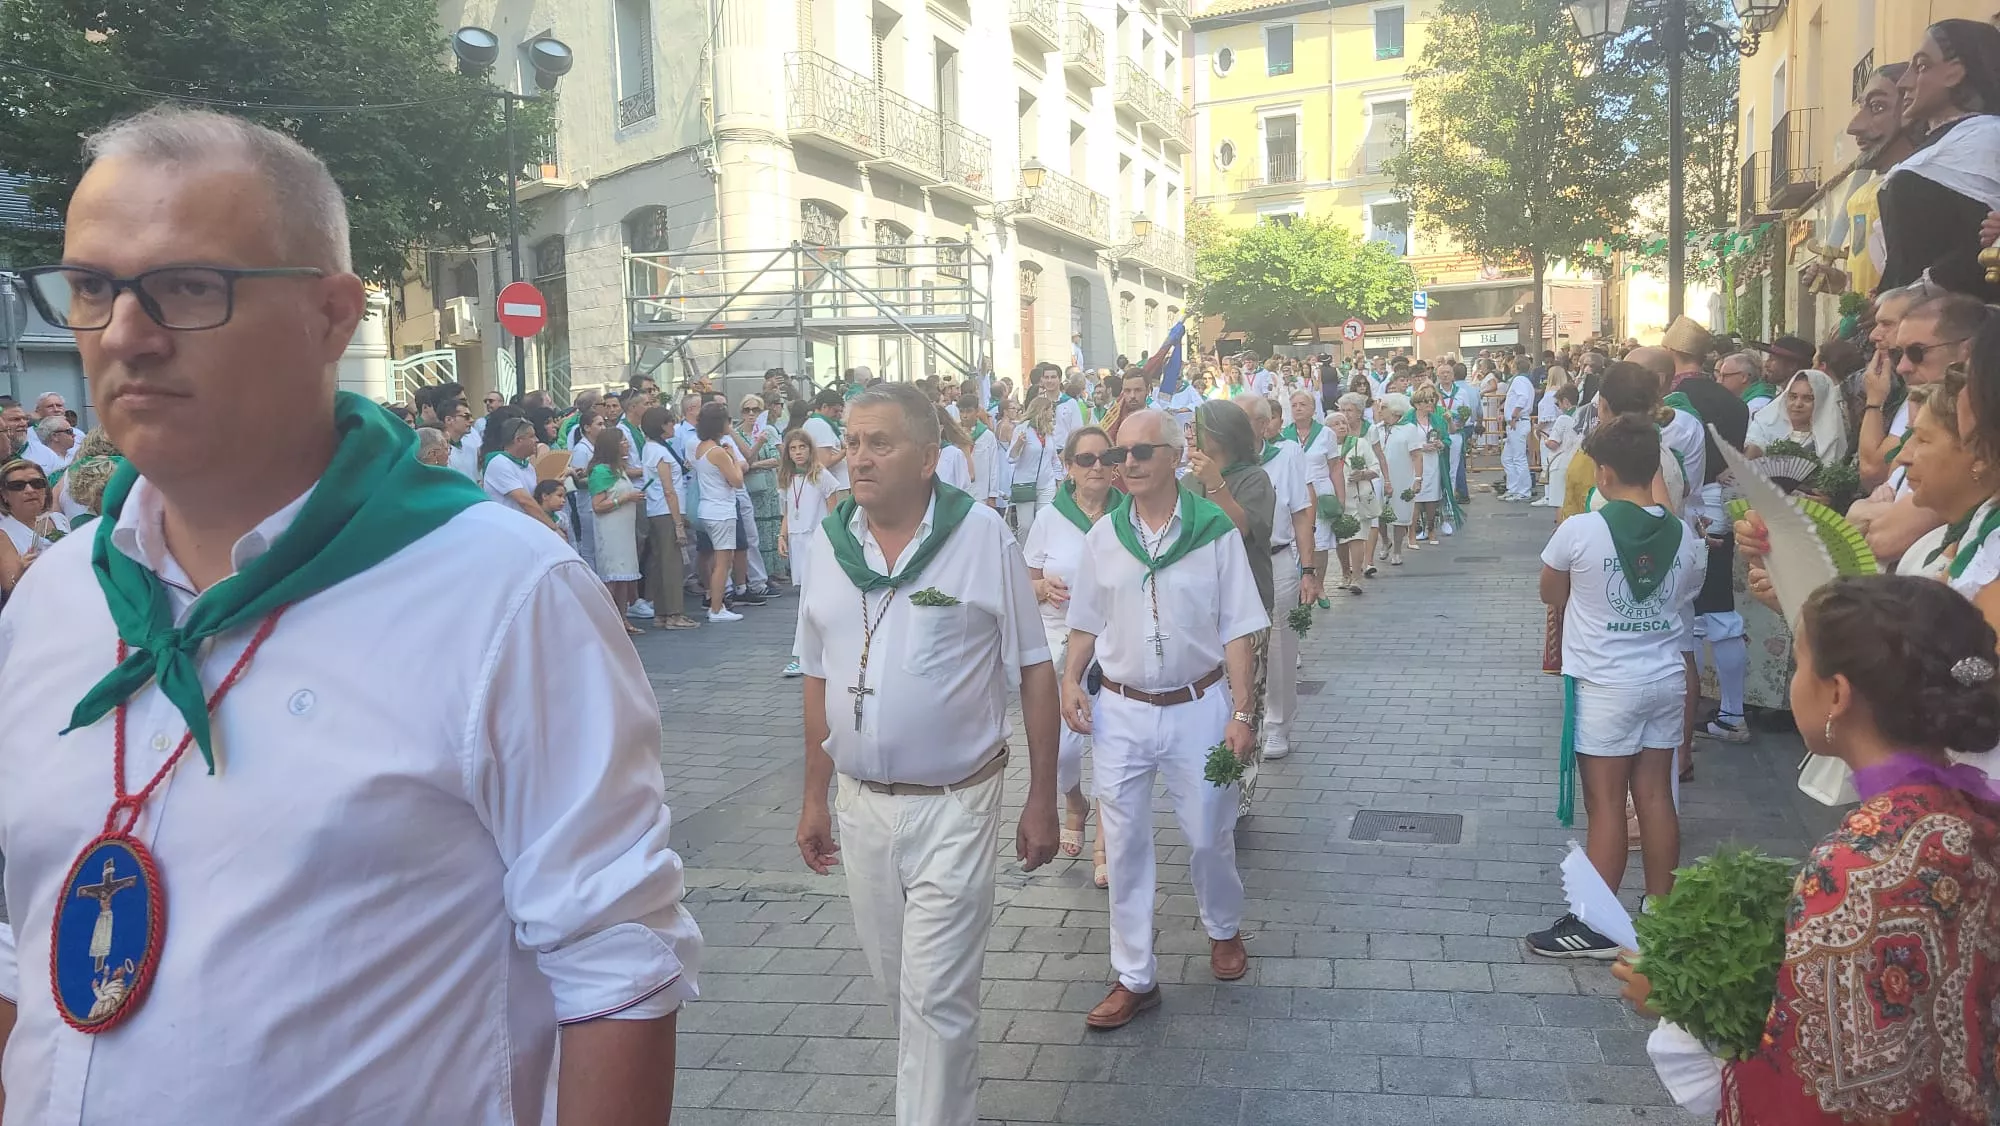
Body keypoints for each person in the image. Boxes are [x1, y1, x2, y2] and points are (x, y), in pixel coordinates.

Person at [0, 104, 696, 1125]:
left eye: (189, 286)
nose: (126, 335)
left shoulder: (500, 593)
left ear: (333, 314)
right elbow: (19, 935)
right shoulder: (55, 597)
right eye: (94, 288)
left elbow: (616, 969)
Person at [1616, 575, 2000, 1124]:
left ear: (1837, 695)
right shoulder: (1968, 813)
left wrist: (1680, 1003)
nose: (1794, 681)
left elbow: (1820, 1086)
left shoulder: (1858, 865)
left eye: (1798, 665)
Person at [792, 382, 1059, 1126]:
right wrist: (815, 796)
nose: (860, 458)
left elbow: (1034, 666)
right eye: (850, 443)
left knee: (937, 998)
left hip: (956, 803)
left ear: (928, 457)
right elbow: (815, 672)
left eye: (880, 443)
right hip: (862, 804)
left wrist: (1041, 798)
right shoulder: (828, 543)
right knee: (901, 989)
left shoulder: (981, 537)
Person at [1060, 409, 1265, 1030]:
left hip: (1198, 706)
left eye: (1142, 453)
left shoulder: (1212, 531)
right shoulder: (1103, 537)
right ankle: (1134, 975)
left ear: (1177, 455)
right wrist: (1071, 677)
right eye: (1121, 455)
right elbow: (1086, 621)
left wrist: (1243, 710)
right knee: (1122, 846)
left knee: (1208, 832)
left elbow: (1238, 628)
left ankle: (1223, 928)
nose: (1129, 465)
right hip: (1120, 709)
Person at [1528, 415, 1706, 959]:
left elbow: (1550, 594)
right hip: (1665, 678)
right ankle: (1661, 912)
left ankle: (1598, 924)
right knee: (1654, 796)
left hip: (1606, 686)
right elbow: (1681, 598)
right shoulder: (1686, 535)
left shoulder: (1581, 529)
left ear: (1603, 473)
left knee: (1605, 805)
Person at [1023, 426, 1117, 885]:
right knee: (1061, 751)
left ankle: (1104, 838)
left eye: (1105, 457)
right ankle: (1074, 801)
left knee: (1112, 744)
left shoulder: (1129, 512)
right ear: (1068, 467)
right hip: (1058, 641)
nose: (1097, 467)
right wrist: (1041, 586)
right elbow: (1026, 579)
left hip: (1114, 644)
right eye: (1086, 459)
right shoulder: (1049, 517)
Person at [1879, 20, 2000, 301]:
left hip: (1963, 319)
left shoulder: (1986, 137)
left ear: (1956, 73)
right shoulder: (1937, 145)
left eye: (1921, 66)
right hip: (1908, 319)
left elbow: (1977, 247)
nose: (1903, 83)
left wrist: (1918, 289)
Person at [1240, 393, 1319, 761]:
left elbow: (1301, 513)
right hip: (1236, 563)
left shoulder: (1285, 458)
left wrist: (1308, 569)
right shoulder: (1221, 464)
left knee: (1278, 646)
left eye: (1245, 420)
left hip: (1276, 559)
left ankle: (1277, 724)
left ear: (1263, 424)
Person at [778, 427, 838, 677]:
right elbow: (787, 512)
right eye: (793, 448)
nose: (798, 452)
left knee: (811, 598)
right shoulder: (787, 478)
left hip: (817, 538)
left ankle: (805, 653)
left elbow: (833, 507)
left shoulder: (820, 474)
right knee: (804, 596)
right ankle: (807, 653)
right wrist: (782, 535)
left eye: (802, 447)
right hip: (797, 540)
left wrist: (833, 538)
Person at [638, 406, 696, 632]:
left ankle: (661, 612)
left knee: (660, 562)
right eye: (670, 422)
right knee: (672, 564)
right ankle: (674, 613)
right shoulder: (660, 452)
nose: (673, 425)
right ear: (661, 426)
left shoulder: (651, 448)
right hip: (666, 511)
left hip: (657, 510)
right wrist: (679, 523)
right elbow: (668, 489)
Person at [693, 401, 746, 624]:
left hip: (708, 507)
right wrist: (733, 457)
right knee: (723, 562)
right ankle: (716, 608)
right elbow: (737, 480)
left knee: (718, 559)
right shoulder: (718, 452)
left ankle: (717, 603)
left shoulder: (700, 447)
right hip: (721, 510)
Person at [479, 415, 563, 537]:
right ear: (518, 440)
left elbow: (534, 498)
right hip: (506, 532)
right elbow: (524, 500)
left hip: (525, 530)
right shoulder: (499, 462)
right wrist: (553, 528)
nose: (537, 440)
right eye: (532, 436)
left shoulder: (528, 466)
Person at [1745, 369, 1849, 461]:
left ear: (1821, 403)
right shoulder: (1765, 425)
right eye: (1793, 397)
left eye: (1808, 398)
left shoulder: (1830, 437)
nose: (1798, 404)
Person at [1379, 393, 1425, 565]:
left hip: (1402, 476)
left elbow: (1416, 455)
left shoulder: (1409, 429)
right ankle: (1385, 541)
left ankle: (1397, 549)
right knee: (1379, 513)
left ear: (1395, 410)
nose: (1379, 410)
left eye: (1383, 407)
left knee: (1400, 514)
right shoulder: (1376, 428)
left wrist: (1418, 478)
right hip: (1381, 478)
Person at [1008, 395, 1056, 536]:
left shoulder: (1049, 431)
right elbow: (1011, 459)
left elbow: (1053, 458)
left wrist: (1059, 478)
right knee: (1026, 526)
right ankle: (1024, 555)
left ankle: (1041, 555)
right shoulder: (1022, 429)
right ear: (1043, 410)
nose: (1052, 413)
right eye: (1050, 410)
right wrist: (1018, 445)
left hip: (1047, 483)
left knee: (1044, 523)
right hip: (1025, 484)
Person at [1533, 385, 1582, 509]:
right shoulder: (1581, 415)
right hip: (1577, 462)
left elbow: (1553, 444)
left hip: (1560, 464)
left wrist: (1544, 438)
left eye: (1558, 404)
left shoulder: (1562, 419)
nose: (1558, 407)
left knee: (1560, 503)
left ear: (1565, 402)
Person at [803, 389, 850, 503]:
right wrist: (846, 450)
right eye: (835, 411)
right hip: (836, 486)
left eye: (840, 411)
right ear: (824, 407)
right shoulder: (820, 425)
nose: (838, 415)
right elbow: (824, 461)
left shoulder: (813, 423)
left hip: (835, 485)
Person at [1500, 357, 1537, 500]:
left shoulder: (1519, 381)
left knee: (1518, 458)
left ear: (1515, 366)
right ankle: (1513, 487)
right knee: (1507, 458)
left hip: (1518, 422)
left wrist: (1514, 415)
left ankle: (1523, 491)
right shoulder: (1524, 381)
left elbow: (1522, 398)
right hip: (1517, 422)